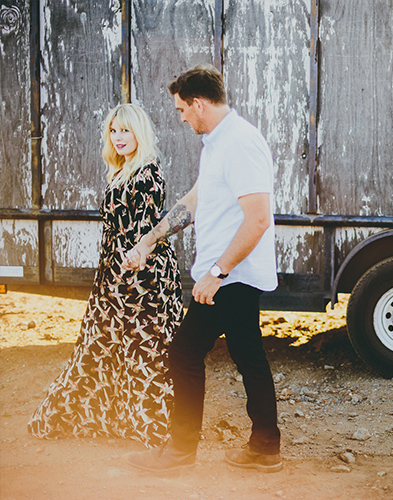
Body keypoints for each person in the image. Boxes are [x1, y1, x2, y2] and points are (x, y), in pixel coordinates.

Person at [123, 65, 281, 473]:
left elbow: (259, 218)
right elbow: (195, 201)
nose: (181, 118)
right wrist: (149, 239)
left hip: (232, 276)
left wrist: (218, 272)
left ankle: (179, 451)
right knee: (249, 355)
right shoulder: (217, 142)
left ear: (198, 103)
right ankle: (265, 446)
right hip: (230, 273)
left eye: (181, 110)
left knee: (184, 352)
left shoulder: (240, 143)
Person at [28, 104, 184, 447]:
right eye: (114, 131)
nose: (119, 138)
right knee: (101, 347)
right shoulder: (120, 171)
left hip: (143, 280)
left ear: (138, 132)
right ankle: (109, 416)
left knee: (143, 352)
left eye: (125, 131)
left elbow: (144, 232)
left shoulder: (146, 174)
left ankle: (153, 426)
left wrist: (130, 266)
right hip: (116, 275)